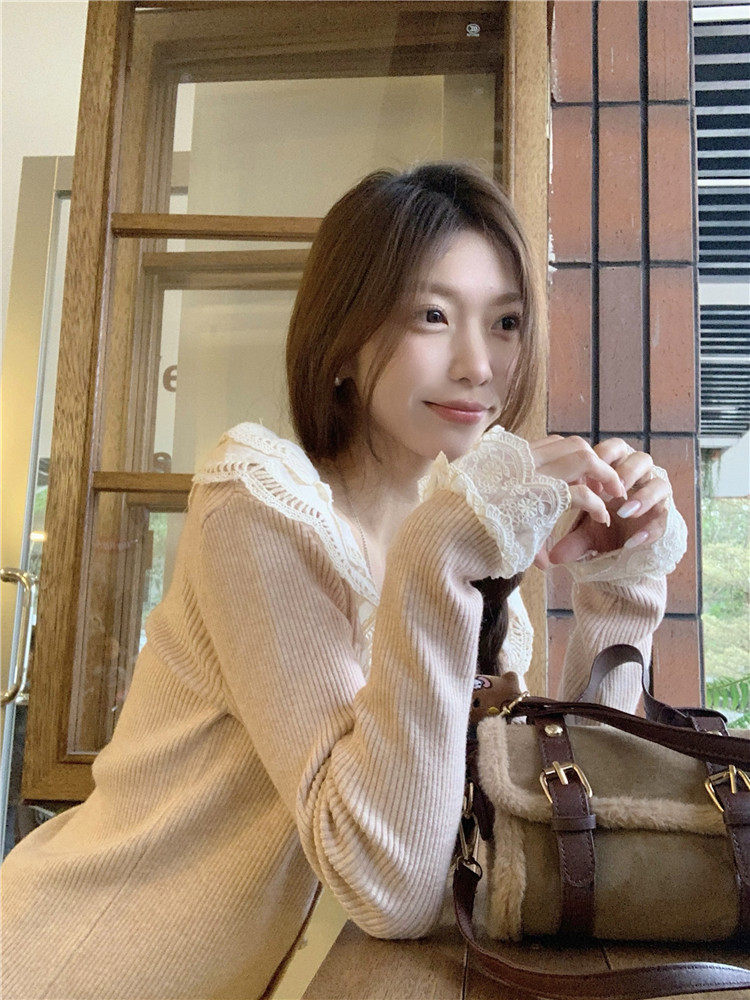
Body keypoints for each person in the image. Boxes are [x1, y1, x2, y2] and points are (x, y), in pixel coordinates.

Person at [1, 161, 687, 1000]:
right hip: (69, 965)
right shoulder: (258, 502)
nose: (479, 364)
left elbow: (554, 833)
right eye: (432, 315)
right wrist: (443, 548)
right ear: (345, 340)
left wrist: (619, 586)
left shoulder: (471, 565)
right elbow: (389, 882)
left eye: (506, 322)